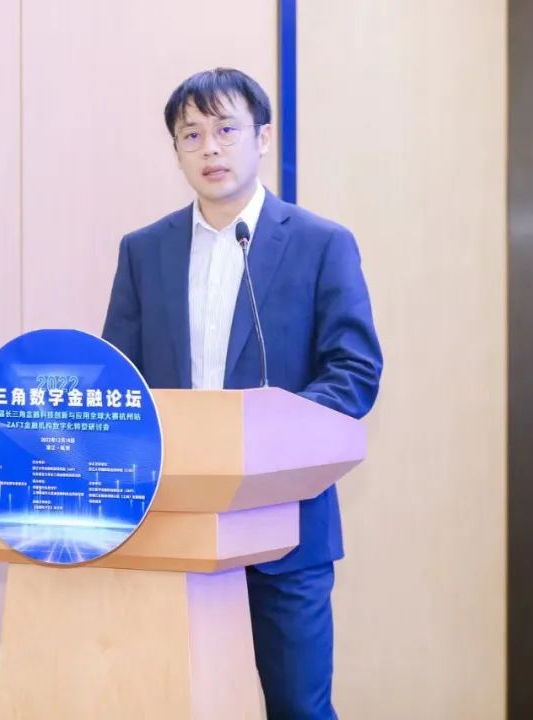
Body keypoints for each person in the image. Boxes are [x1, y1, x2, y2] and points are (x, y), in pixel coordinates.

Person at [102, 67, 382, 720]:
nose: (210, 148)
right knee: (176, 704)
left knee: (299, 709)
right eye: (191, 135)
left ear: (263, 138)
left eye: (226, 130)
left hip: (287, 529)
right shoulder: (144, 251)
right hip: (174, 527)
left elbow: (354, 370)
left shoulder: (320, 244)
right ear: (176, 150)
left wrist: (268, 439)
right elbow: (121, 381)